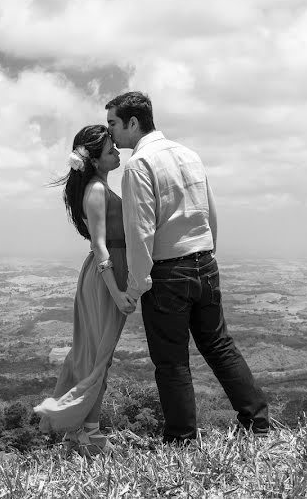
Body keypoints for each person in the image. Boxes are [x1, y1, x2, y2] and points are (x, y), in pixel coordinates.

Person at [106, 91, 270, 444]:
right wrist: (208, 256)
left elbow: (140, 232)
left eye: (114, 125)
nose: (112, 135)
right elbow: (210, 211)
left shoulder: (138, 165)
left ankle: (181, 439)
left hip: (168, 273)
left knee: (171, 361)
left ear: (133, 123)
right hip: (204, 261)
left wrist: (136, 285)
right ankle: (257, 422)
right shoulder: (189, 154)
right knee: (219, 345)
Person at [34, 124, 136, 456]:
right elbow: (101, 247)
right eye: (111, 151)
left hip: (108, 276)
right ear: (93, 160)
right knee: (97, 358)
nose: (118, 153)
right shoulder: (95, 191)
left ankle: (82, 431)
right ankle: (87, 433)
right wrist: (118, 294)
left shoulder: (98, 186)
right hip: (106, 279)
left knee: (95, 357)